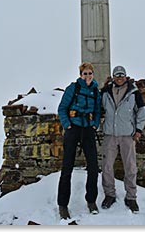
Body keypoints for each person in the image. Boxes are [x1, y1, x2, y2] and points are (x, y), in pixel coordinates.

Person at [57, 62, 101, 220]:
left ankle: (91, 201)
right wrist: (67, 125)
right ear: (80, 75)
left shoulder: (96, 91)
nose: (88, 76)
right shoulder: (73, 88)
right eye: (85, 74)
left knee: (94, 166)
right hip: (73, 128)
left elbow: (97, 111)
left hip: (88, 129)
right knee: (67, 166)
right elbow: (62, 108)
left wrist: (95, 124)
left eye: (90, 73)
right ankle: (63, 204)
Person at [100, 65, 145, 213]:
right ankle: (109, 195)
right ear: (113, 77)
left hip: (128, 135)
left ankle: (131, 197)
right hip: (110, 135)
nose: (119, 77)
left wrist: (138, 130)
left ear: (125, 77)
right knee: (106, 166)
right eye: (117, 75)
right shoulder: (105, 92)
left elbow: (142, 110)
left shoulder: (133, 92)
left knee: (130, 167)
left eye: (122, 75)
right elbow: (99, 110)